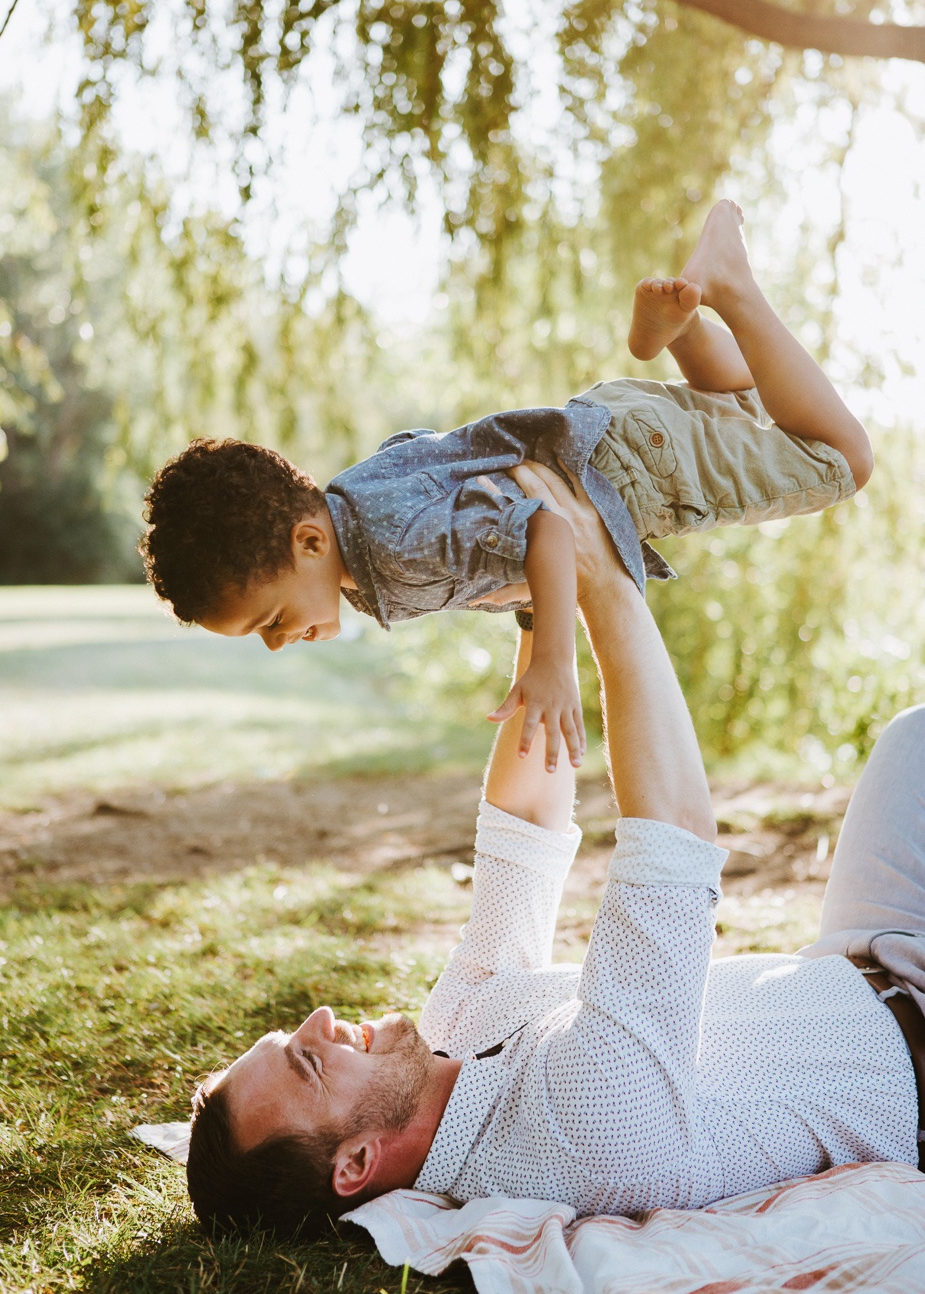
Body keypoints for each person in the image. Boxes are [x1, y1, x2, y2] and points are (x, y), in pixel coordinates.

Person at [185, 462, 924, 1241]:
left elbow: (521, 834)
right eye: (308, 1062)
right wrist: (601, 579)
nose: (320, 1019)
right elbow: (671, 837)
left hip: (858, 952)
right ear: (356, 1164)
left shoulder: (453, 1032)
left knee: (913, 739)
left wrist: (542, 610)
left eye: (292, 1037)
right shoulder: (579, 1135)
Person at [141, 201, 873, 773]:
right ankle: (675, 329)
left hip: (634, 472)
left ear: (306, 541)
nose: (277, 644)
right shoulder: (357, 509)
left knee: (839, 460)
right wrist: (529, 607)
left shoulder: (388, 549)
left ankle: (729, 287)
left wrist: (554, 659)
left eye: (269, 620)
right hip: (608, 428)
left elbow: (545, 530)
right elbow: (483, 512)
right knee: (749, 400)